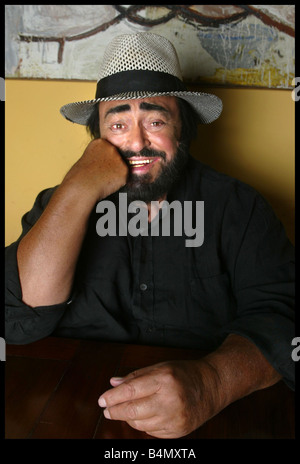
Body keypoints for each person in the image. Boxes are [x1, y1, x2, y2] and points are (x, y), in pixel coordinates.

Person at [5, 33, 294, 438]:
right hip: (69, 406)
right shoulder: (60, 204)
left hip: (214, 415)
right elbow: (18, 318)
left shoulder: (239, 207)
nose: (137, 142)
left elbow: (282, 317)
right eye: (118, 124)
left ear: (183, 128)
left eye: (155, 121)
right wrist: (79, 188)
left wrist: (212, 383)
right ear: (97, 138)